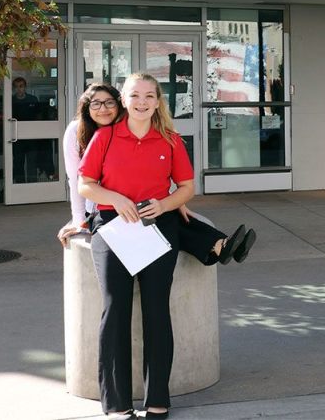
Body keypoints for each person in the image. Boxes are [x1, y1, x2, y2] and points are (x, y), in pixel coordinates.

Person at [79, 73, 196, 419]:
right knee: (115, 309)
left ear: (158, 102)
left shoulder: (170, 140)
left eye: (149, 96)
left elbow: (187, 188)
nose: (142, 102)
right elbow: (86, 184)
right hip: (113, 228)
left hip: (156, 228)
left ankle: (158, 397)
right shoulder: (105, 136)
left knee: (157, 310)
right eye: (134, 95)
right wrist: (115, 198)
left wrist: (164, 204)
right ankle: (117, 403)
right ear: (124, 101)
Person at [57, 83, 256, 265]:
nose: (103, 109)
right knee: (163, 221)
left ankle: (222, 245)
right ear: (87, 107)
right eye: (96, 103)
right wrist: (79, 220)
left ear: (120, 104)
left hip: (137, 198)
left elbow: (148, 169)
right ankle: (219, 244)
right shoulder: (76, 131)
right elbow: (76, 179)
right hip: (103, 205)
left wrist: (177, 201)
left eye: (109, 102)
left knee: (168, 214)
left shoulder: (130, 126)